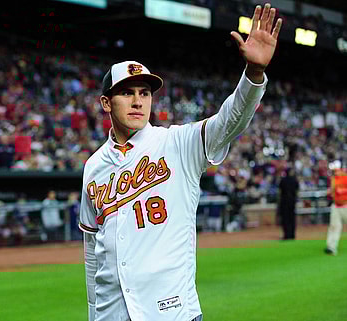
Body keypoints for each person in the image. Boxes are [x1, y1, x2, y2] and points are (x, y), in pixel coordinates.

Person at [79, 4, 282, 321]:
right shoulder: (94, 166)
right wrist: (94, 312)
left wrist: (253, 74)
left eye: (144, 93)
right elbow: (92, 247)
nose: (137, 101)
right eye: (127, 92)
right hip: (113, 315)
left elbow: (230, 122)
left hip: (172, 312)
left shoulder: (177, 143)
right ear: (106, 102)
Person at [324, 168, 347, 255]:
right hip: (336, 206)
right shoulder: (334, 179)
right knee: (334, 226)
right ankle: (331, 247)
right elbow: (332, 191)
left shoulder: (345, 178)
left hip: (345, 205)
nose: (336, 172)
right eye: (335, 171)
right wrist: (330, 192)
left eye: (337, 170)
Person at [278, 168, 299, 240]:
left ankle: (286, 235)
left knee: (285, 219)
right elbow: (297, 190)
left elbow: (280, 191)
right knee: (292, 218)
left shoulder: (283, 180)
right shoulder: (294, 180)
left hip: (284, 202)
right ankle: (292, 234)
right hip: (292, 202)